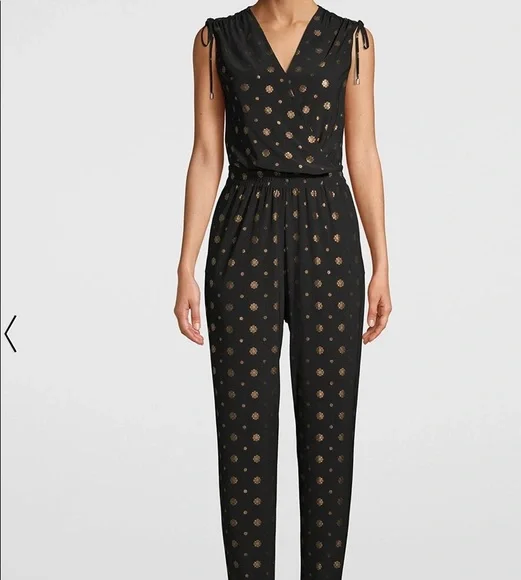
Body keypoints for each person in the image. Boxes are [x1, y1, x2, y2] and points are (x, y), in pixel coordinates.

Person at [174, 1, 392, 577]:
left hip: (329, 233)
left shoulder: (353, 41)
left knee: (329, 434)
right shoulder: (215, 40)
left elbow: (363, 152)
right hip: (243, 231)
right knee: (243, 434)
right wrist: (185, 264)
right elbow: (206, 154)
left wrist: (381, 262)